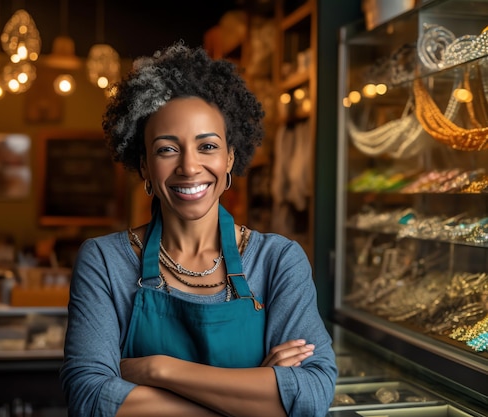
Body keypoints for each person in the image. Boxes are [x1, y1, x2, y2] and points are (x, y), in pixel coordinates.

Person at [60, 41, 337, 417]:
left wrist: (158, 370)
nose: (189, 167)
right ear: (144, 166)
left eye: (207, 146)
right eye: (166, 149)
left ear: (230, 160)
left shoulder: (279, 261)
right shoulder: (105, 261)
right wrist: (254, 396)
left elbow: (313, 394)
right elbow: (90, 399)